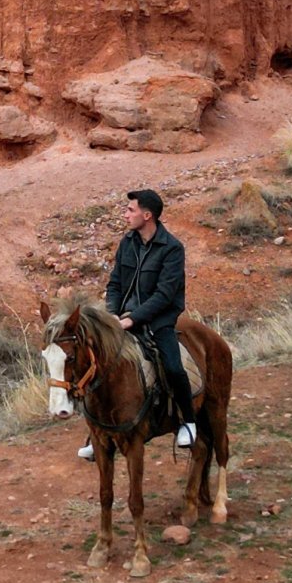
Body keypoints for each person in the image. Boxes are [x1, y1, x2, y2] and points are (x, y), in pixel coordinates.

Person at [79, 188, 195, 461]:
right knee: (96, 364)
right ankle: (95, 434)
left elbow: (165, 295)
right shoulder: (127, 243)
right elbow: (115, 283)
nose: (126, 214)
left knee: (173, 367)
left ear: (147, 215)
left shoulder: (172, 249)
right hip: (123, 318)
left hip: (160, 319)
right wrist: (113, 316)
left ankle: (188, 422)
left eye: (130, 210)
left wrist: (134, 319)